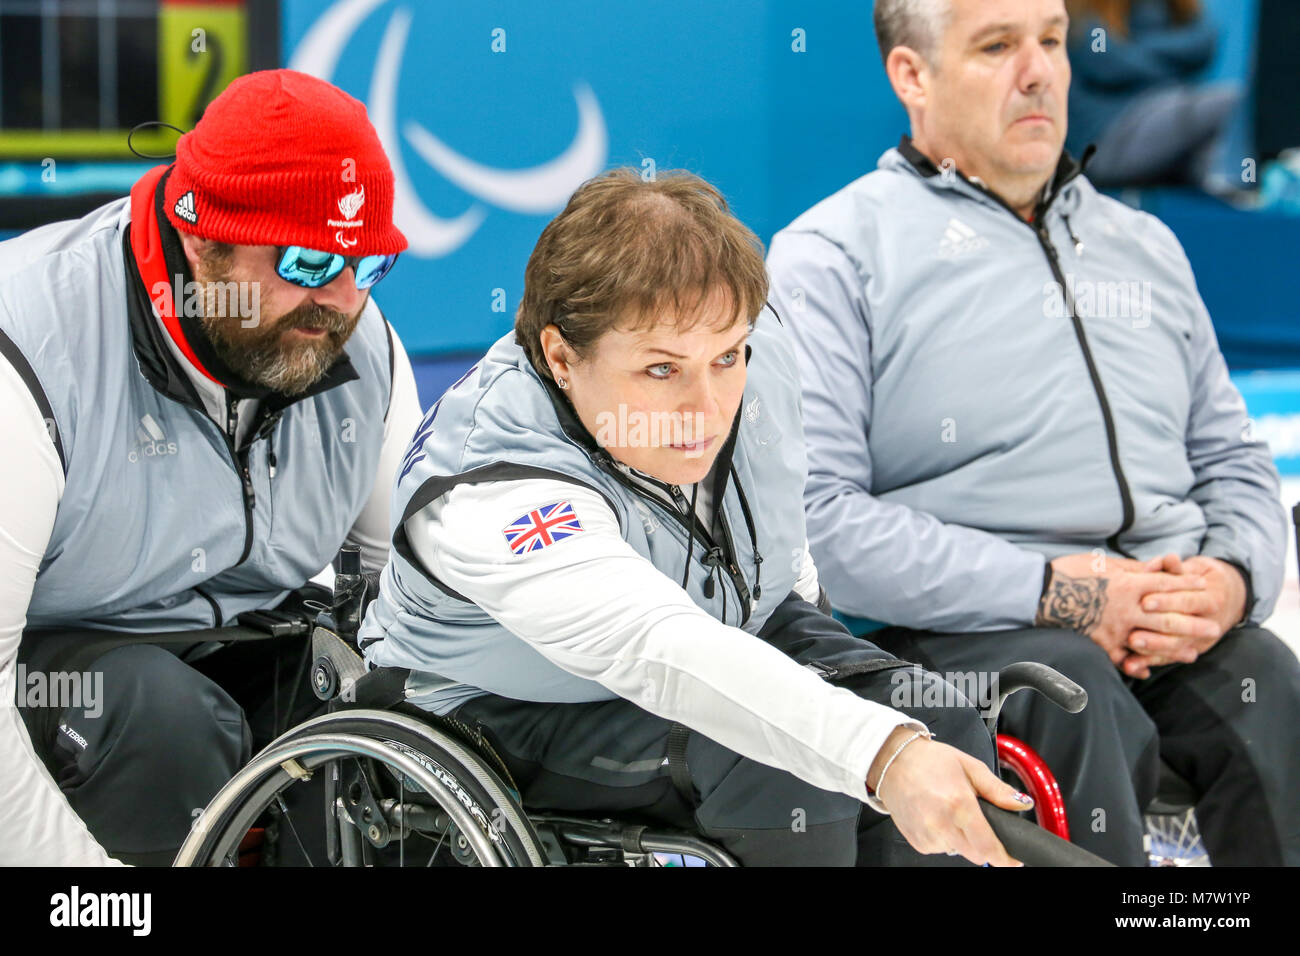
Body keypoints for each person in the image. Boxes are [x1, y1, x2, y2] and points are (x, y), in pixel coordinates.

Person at [357, 167, 1037, 867]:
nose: (707, 407)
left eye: (727, 358)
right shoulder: (493, 486)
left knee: (936, 721)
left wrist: (866, 698)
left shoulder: (752, 343)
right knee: (781, 769)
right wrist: (880, 753)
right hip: (498, 706)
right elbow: (660, 649)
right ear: (562, 355)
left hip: (720, 626)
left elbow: (778, 535)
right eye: (660, 370)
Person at [766, 0, 1300, 865]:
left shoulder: (1146, 247)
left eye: (1051, 39)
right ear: (912, 76)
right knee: (1074, 692)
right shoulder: (831, 257)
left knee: (1268, 678)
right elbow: (820, 525)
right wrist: (1061, 589)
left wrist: (1231, 580)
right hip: (964, 631)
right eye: (996, 46)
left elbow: (1233, 458)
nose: (1040, 69)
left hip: (1162, 613)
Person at [0, 69, 422, 865]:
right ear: (202, 239)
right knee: (160, 715)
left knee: (369, 701)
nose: (339, 300)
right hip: (57, 678)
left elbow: (413, 603)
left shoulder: (357, 346)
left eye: (365, 266)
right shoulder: (26, 347)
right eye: (304, 261)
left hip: (235, 645)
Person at [1064, 0, 1240, 190]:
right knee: (1231, 100)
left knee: (1213, 156)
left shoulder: (1174, 8)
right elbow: (1106, 63)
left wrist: (1134, 49)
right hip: (1105, 142)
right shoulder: (1078, 9)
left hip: (1162, 127)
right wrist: (1176, 64)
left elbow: (1204, 41)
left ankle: (1240, 192)